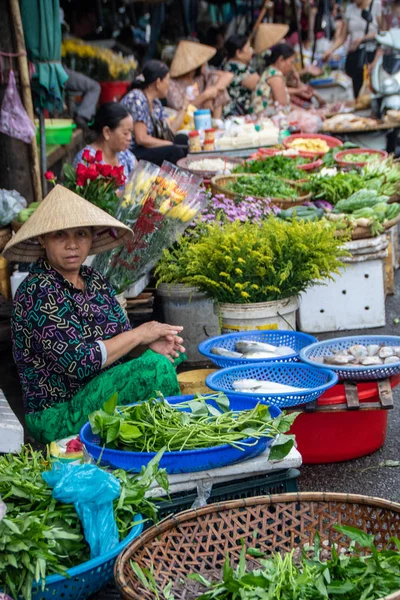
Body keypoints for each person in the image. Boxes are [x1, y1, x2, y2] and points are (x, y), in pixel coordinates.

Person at [4, 185, 185, 445]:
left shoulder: (94, 280)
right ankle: (170, 444)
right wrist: (140, 335)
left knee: (164, 358)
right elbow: (80, 363)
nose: (72, 245)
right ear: (43, 239)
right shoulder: (38, 291)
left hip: (99, 388)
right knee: (154, 368)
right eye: (60, 235)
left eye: (81, 234)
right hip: (58, 413)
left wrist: (145, 345)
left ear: (91, 237)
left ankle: (148, 443)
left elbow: (121, 340)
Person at [121, 60, 189, 166]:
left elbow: (170, 131)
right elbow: (141, 139)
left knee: (184, 140)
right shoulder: (137, 98)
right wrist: (170, 145)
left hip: (146, 146)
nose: (169, 84)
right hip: (132, 151)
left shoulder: (155, 102)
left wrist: (184, 106)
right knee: (174, 151)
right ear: (158, 83)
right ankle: (168, 181)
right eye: (167, 80)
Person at [323, 0, 383, 98]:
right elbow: (342, 37)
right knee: (358, 94)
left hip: (372, 57)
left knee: (373, 94)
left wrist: (363, 39)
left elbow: (384, 33)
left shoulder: (377, 5)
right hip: (356, 59)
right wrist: (329, 51)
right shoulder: (350, 9)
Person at [167, 40, 232, 118]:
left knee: (216, 80)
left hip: (206, 113)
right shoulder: (172, 83)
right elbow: (180, 108)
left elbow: (227, 75)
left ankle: (217, 121)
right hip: (185, 118)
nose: (205, 64)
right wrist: (204, 96)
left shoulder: (201, 76)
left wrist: (212, 91)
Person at [73, 103, 137, 181]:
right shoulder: (85, 160)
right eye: (125, 133)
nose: (130, 138)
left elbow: (142, 176)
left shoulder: (125, 156)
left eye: (131, 133)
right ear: (106, 132)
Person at [252, 43, 296, 116]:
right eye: (291, 62)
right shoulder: (275, 76)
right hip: (265, 119)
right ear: (281, 60)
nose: (292, 67)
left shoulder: (270, 71)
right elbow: (282, 106)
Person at [223, 35, 260, 116]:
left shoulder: (227, 65)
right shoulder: (240, 70)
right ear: (238, 53)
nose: (252, 51)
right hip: (239, 113)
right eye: (249, 48)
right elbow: (263, 87)